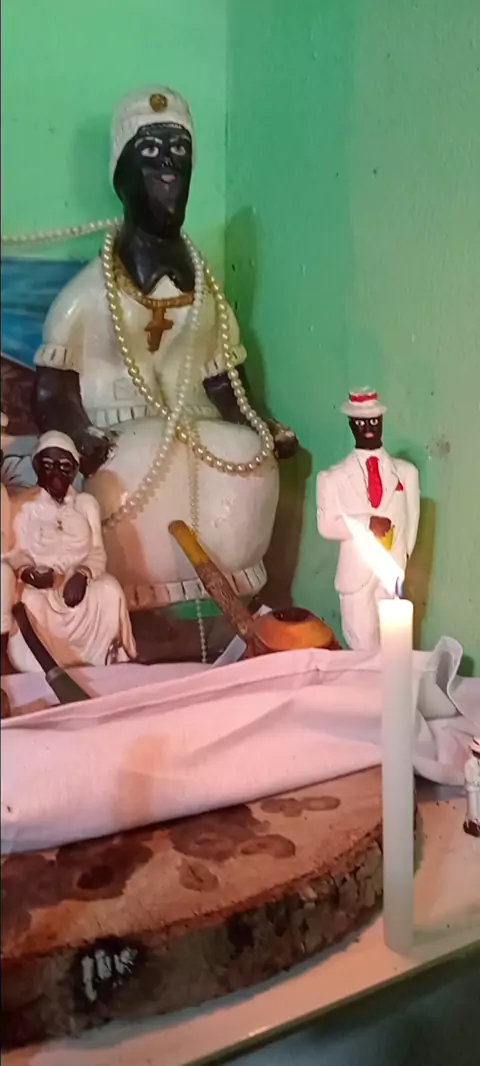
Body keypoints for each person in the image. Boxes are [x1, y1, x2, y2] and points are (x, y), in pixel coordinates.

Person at [6, 432, 136, 673]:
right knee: (30, 600)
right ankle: (45, 666)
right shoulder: (21, 506)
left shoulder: (86, 504)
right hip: (40, 587)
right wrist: (27, 573)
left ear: (75, 470)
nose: (56, 472)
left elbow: (97, 551)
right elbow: (11, 553)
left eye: (65, 466)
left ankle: (103, 658)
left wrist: (83, 574)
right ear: (37, 467)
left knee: (109, 590)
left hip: (76, 581)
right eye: (48, 465)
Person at [316, 389, 420, 650]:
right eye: (361, 423)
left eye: (373, 421)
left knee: (395, 647)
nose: (368, 429)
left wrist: (402, 556)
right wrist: (366, 522)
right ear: (351, 425)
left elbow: (412, 518)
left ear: (382, 421)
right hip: (356, 577)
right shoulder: (333, 478)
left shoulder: (406, 473)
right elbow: (327, 525)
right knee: (363, 646)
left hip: (391, 576)